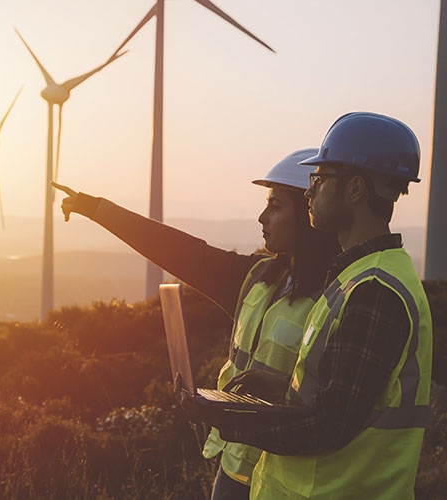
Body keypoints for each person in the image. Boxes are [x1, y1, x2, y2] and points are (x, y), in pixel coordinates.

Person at [52, 149, 341, 500]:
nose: (262, 217)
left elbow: (332, 404)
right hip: (236, 467)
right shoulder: (257, 277)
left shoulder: (338, 296)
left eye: (276, 206)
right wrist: (95, 208)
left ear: (309, 214)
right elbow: (177, 249)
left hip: (293, 479)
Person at [179, 112, 433, 499]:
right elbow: (348, 397)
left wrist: (231, 419)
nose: (310, 191)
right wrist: (280, 386)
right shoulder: (355, 277)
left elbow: (330, 424)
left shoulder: (374, 292)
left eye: (319, 179)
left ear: (356, 189)